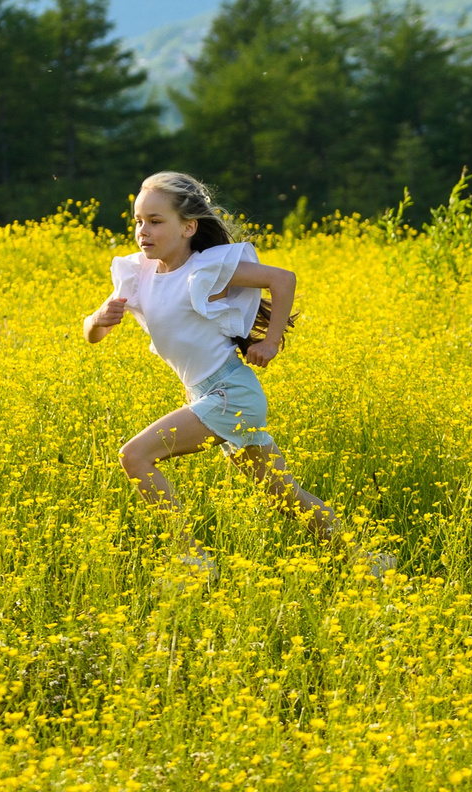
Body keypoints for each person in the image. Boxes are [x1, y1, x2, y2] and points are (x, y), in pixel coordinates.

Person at [83, 171, 337, 573]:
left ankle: (191, 560)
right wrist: (99, 318)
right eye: (137, 221)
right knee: (282, 494)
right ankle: (365, 557)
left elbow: (281, 279)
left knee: (134, 456)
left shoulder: (205, 269)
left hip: (230, 393)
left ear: (189, 227)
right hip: (207, 394)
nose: (142, 231)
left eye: (155, 221)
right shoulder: (138, 274)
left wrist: (270, 342)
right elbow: (92, 335)